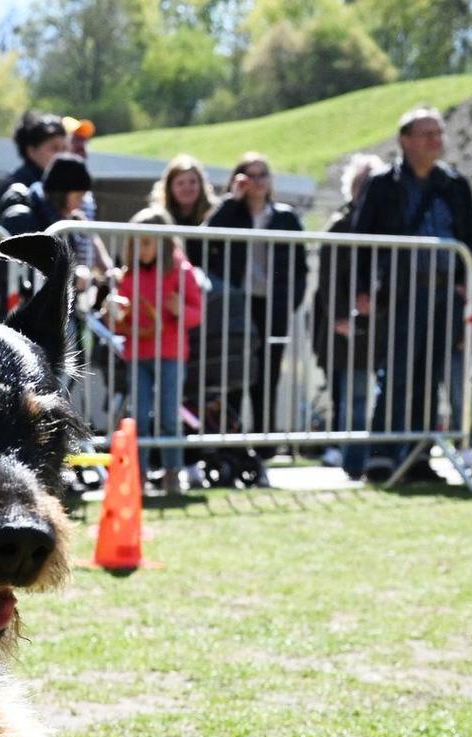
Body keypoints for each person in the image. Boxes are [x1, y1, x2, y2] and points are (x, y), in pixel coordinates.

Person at [349, 107, 472, 483]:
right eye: (426, 134)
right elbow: (359, 239)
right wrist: (362, 288)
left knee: (430, 377)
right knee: (395, 373)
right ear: (405, 140)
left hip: (444, 294)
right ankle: (381, 456)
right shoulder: (383, 184)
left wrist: (464, 278)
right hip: (399, 293)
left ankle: (419, 454)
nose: (434, 141)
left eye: (438, 134)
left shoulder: (454, 184)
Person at [197, 151, 306, 486]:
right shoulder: (230, 212)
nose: (258, 181)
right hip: (235, 307)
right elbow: (206, 244)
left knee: (266, 378)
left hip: (271, 306)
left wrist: (290, 303)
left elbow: (300, 267)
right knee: (232, 375)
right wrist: (233, 199)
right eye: (250, 175)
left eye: (263, 175)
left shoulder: (285, 217)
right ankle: (230, 447)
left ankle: (263, 450)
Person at [108, 207, 205, 489]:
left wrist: (180, 310)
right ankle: (138, 474)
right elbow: (120, 321)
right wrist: (114, 312)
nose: (140, 248)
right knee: (139, 415)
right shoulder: (129, 275)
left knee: (168, 415)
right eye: (135, 242)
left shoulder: (180, 271)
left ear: (162, 242)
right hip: (138, 355)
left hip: (171, 354)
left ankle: (172, 472)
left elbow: (197, 313)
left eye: (146, 242)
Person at [314, 154, 385, 477]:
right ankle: (353, 462)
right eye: (362, 184)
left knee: (380, 393)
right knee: (354, 397)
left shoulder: (388, 225)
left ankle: (381, 456)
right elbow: (328, 279)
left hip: (382, 326)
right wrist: (341, 315)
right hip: (349, 331)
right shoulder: (339, 226)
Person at [0, 111, 67, 208]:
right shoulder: (16, 190)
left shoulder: (61, 184)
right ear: (31, 151)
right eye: (54, 148)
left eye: (64, 149)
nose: (61, 155)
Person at [152, 153, 217, 229]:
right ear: (169, 187)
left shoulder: (215, 212)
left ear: (201, 184)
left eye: (192, 182)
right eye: (180, 183)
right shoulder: (158, 217)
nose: (187, 188)